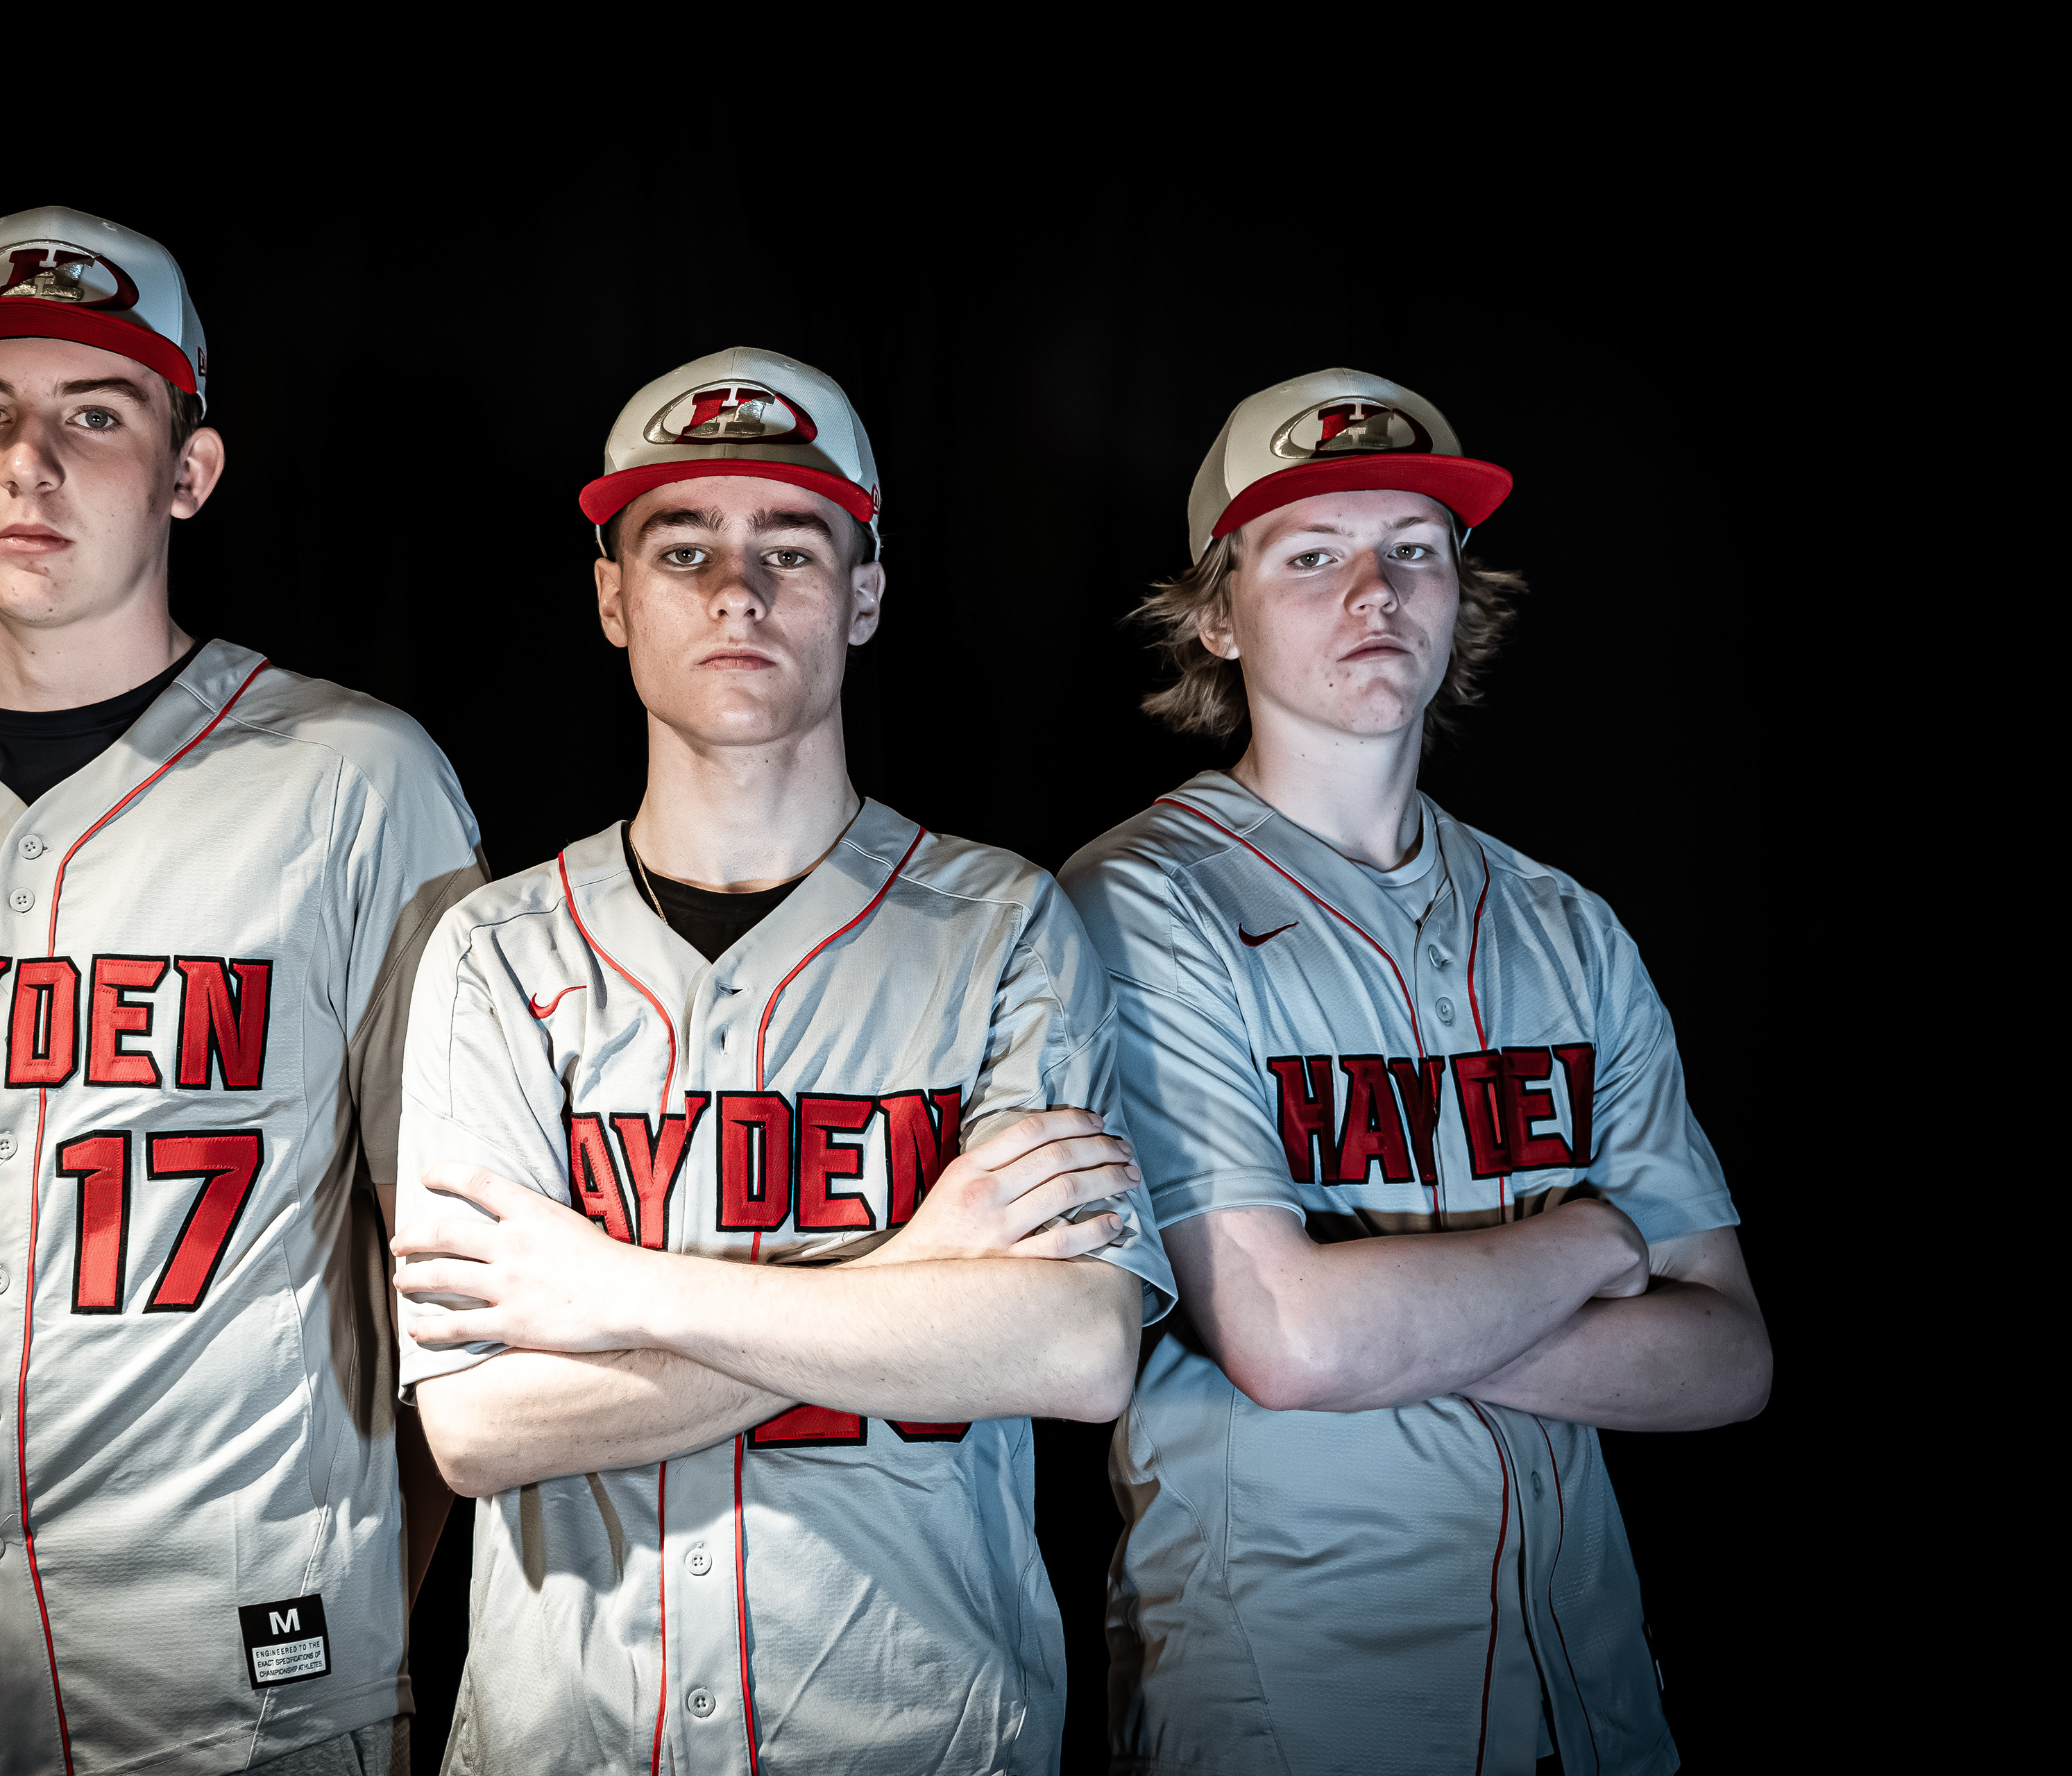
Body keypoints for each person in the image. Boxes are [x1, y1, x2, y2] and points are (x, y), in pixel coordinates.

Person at [388, 347, 1177, 1775]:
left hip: (920, 1735)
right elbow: (485, 1425)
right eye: (682, 547)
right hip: (574, 1739)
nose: (737, 591)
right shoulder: (495, 949)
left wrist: (613, 1289)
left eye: (792, 547)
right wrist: (918, 1271)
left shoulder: (1003, 924)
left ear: (864, 594)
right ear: (612, 598)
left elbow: (1075, 1348)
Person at [0, 204, 483, 1776]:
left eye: (96, 415)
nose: (30, 464)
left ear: (189, 471)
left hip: (239, 1681)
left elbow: (459, 1254)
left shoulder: (357, 780)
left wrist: (361, 1614)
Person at [1061, 368, 1774, 1775]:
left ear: (1461, 592)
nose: (1373, 591)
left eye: (1415, 550)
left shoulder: (1565, 923)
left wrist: (1403, 1327)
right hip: (1302, 1697)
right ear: (1218, 613)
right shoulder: (1137, 903)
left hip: (1593, 1690)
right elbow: (1292, 1340)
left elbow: (1729, 1358)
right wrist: (1602, 1239)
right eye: (1310, 556)